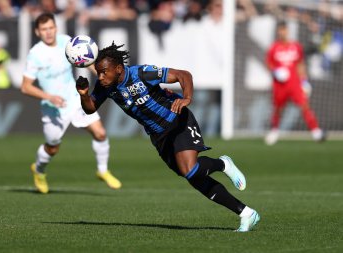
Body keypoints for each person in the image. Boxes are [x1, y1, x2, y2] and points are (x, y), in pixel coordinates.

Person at [75, 42, 260, 232]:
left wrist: (187, 97)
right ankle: (246, 213)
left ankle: (223, 164)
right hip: (158, 135)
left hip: (177, 120)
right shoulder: (105, 86)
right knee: (194, 178)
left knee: (189, 170)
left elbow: (183, 75)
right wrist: (83, 94)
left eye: (104, 72)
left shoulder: (141, 73)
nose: (101, 76)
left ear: (119, 68)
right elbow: (90, 108)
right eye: (99, 73)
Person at [21, 12, 121, 194]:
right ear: (37, 32)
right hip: (54, 108)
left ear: (56, 28)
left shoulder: (66, 42)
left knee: (100, 133)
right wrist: (49, 97)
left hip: (75, 100)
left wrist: (98, 71)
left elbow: (85, 60)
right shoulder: (35, 54)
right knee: (52, 148)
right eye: (44, 29)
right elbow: (26, 87)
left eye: (51, 27)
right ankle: (39, 170)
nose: (48, 32)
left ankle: (103, 170)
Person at [265, 21, 325, 145]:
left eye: (284, 30)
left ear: (288, 31)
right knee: (278, 109)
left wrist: (304, 81)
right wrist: (275, 72)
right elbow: (268, 63)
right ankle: (274, 131)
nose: (283, 32)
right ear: (278, 32)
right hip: (280, 85)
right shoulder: (274, 47)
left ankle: (316, 131)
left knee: (305, 105)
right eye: (280, 30)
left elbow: (300, 64)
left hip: (294, 84)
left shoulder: (296, 46)